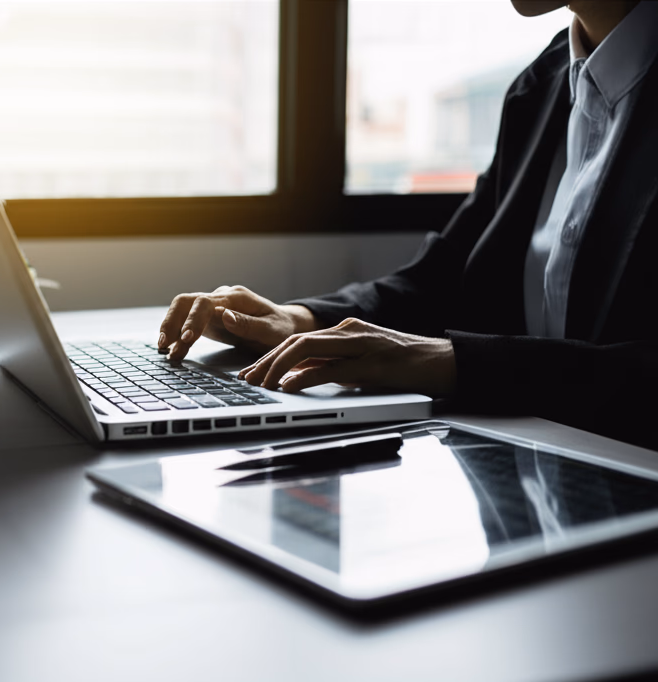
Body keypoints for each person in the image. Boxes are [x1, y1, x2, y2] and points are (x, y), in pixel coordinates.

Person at [158, 0, 658, 449]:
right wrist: (299, 319)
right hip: (527, 460)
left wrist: (449, 361)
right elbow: (442, 278)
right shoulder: (542, 86)